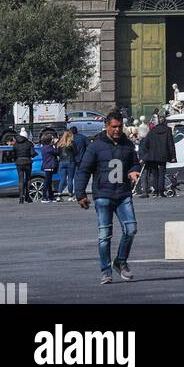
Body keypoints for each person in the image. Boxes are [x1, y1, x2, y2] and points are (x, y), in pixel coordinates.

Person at [74, 110, 141, 284]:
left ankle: (120, 261)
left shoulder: (127, 144)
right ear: (106, 126)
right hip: (103, 195)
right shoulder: (95, 145)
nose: (118, 130)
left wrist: (134, 171)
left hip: (123, 194)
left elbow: (134, 161)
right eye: (114, 127)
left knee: (131, 229)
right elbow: (84, 170)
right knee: (105, 236)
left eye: (120, 126)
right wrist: (80, 194)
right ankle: (105, 270)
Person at [140, 114, 176, 198]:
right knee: (162, 173)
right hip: (163, 155)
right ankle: (161, 191)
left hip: (153, 155)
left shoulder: (152, 131)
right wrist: (173, 156)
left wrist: (147, 154)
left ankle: (156, 191)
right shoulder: (168, 130)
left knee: (155, 173)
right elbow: (170, 144)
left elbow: (146, 144)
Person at [14, 127, 36, 205]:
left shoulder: (16, 144)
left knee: (20, 180)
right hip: (27, 162)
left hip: (19, 162)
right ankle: (27, 195)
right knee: (28, 179)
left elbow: (13, 154)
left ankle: (21, 198)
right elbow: (32, 153)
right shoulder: (29, 143)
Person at [55, 129, 77, 200]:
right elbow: (75, 152)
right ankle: (70, 195)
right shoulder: (71, 143)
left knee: (62, 179)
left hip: (62, 162)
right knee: (70, 179)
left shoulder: (60, 143)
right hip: (70, 161)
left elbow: (57, 153)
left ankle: (59, 195)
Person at [39, 131, 58, 203]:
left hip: (47, 166)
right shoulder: (49, 148)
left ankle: (51, 196)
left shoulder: (44, 147)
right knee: (47, 182)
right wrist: (55, 145)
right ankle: (44, 197)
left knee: (49, 182)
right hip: (49, 166)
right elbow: (56, 152)